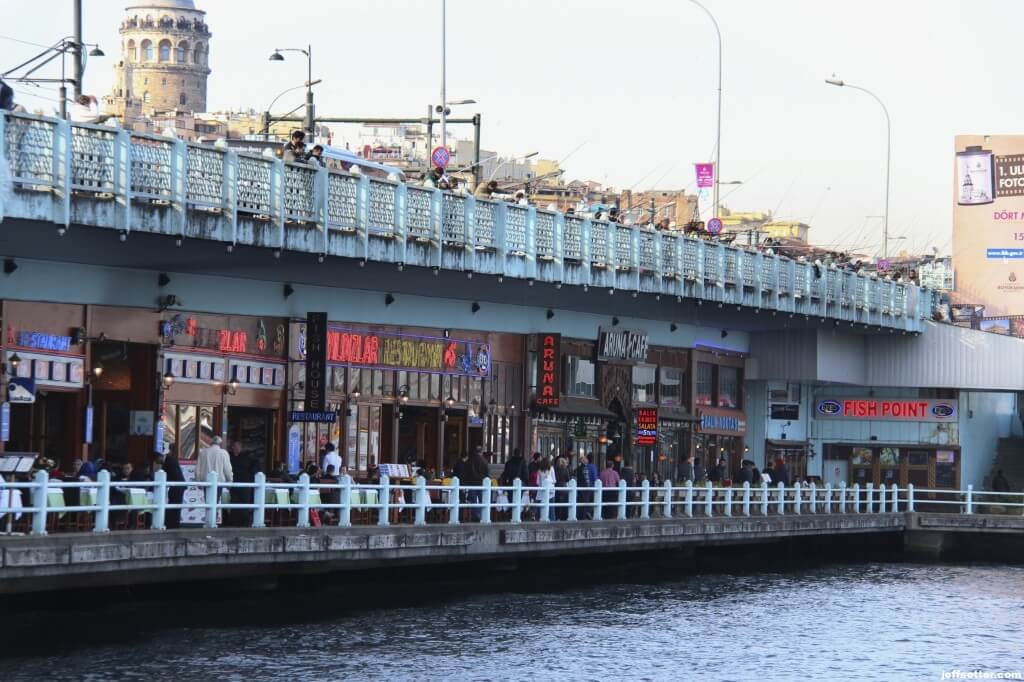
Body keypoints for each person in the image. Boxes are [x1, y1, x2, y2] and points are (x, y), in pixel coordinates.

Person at [196, 436, 233, 524]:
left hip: (206, 482)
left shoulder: (203, 452)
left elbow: (198, 469)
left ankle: (209, 519)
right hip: (218, 482)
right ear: (220, 444)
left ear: (211, 443)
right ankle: (212, 520)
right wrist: (230, 481)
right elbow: (227, 469)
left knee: (208, 501)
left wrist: (198, 481)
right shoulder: (223, 453)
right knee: (215, 501)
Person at [156, 451, 186, 529]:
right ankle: (172, 524)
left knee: (175, 505)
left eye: (157, 459)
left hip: (177, 487)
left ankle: (173, 525)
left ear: (161, 456)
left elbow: (174, 475)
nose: (156, 462)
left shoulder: (170, 462)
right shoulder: (169, 460)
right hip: (176, 486)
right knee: (173, 505)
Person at [462, 446, 489, 522]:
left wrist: (465, 482)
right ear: (481, 452)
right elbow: (487, 473)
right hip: (481, 483)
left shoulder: (469, 460)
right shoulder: (484, 461)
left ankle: (476, 515)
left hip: (471, 483)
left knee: (473, 500)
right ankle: (482, 515)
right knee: (482, 500)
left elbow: (465, 473)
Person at [575, 454, 594, 519]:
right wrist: (589, 487)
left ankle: (580, 515)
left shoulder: (578, 468)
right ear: (583, 461)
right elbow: (587, 479)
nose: (587, 460)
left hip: (580, 487)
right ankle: (583, 516)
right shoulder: (585, 468)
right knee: (585, 502)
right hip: (585, 488)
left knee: (580, 502)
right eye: (586, 459)